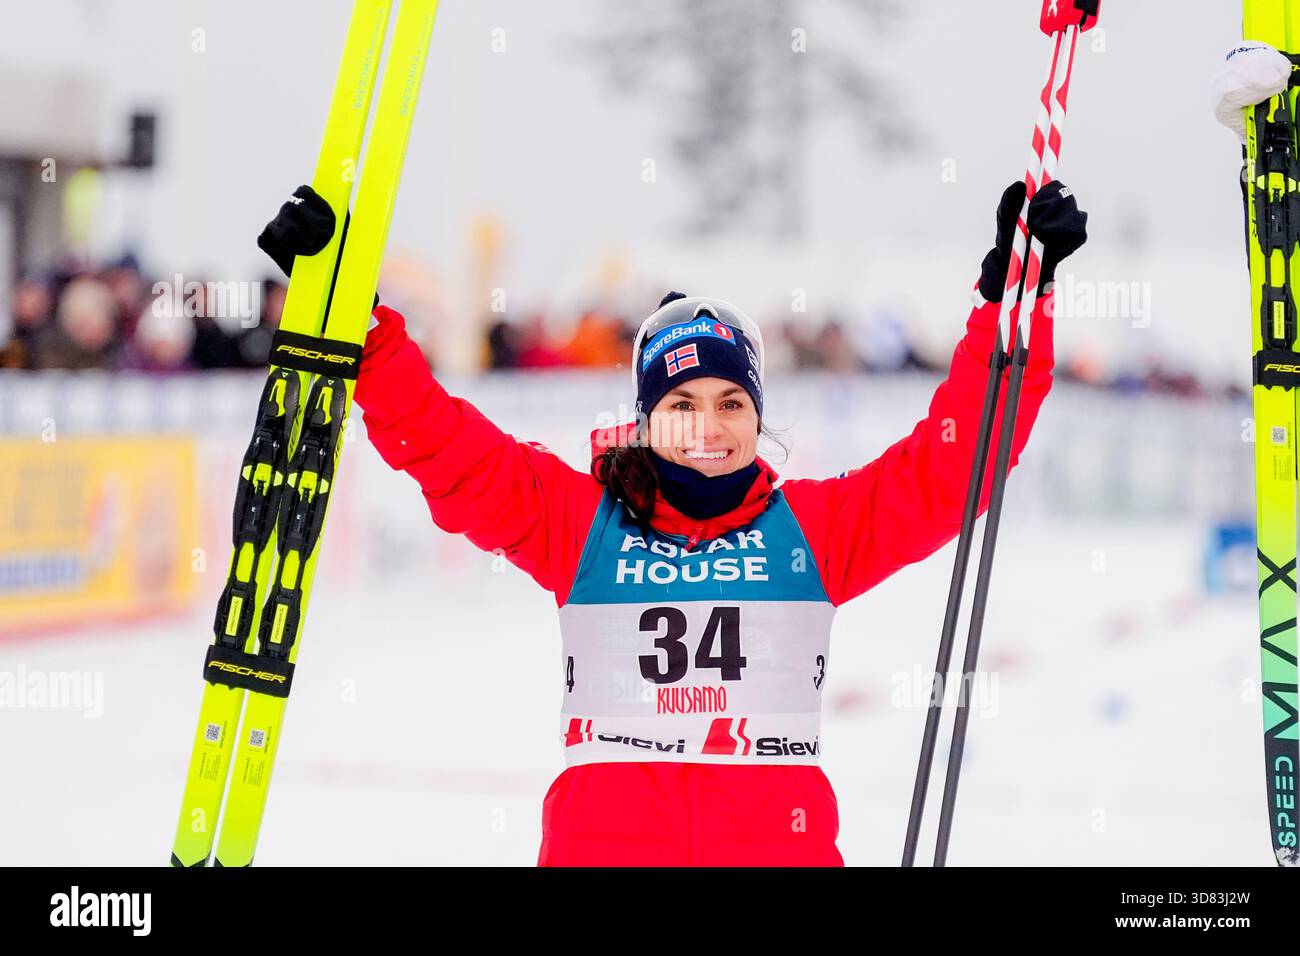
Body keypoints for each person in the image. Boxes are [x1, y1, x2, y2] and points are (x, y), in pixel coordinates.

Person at [258, 178, 1087, 865]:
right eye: (682, 403)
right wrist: (358, 330)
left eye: (731, 402)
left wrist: (1016, 305)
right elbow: (448, 449)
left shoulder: (816, 531)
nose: (708, 423)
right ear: (647, 418)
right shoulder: (578, 523)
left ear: (757, 417)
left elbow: (953, 466)